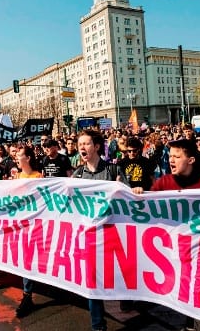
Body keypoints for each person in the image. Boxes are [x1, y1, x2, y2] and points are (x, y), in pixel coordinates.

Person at [151, 138, 200, 331]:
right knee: (183, 298)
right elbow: (146, 212)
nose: (171, 160)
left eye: (177, 156)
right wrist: (138, 195)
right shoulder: (163, 182)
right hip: (175, 254)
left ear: (190, 160)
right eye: (170, 156)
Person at [72, 129, 129, 331]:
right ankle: (98, 325)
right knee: (92, 282)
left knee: (118, 275)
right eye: (80, 144)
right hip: (89, 236)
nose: (82, 147)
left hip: (112, 234)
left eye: (86, 143)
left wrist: (130, 190)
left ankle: (127, 299)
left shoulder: (113, 171)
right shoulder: (78, 175)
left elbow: (128, 198)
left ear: (96, 147)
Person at [12, 145, 43, 317]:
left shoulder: (38, 177)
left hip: (35, 226)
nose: (16, 158)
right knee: (26, 260)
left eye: (19, 155)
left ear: (28, 158)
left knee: (32, 259)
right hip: (21, 226)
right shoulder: (17, 176)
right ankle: (27, 295)